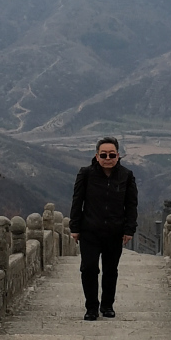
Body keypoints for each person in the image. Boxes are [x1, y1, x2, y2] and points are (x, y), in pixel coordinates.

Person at [69, 137, 138, 321]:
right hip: (90, 230)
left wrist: (129, 229)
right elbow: (77, 201)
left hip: (114, 231)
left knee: (110, 269)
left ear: (118, 156)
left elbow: (131, 205)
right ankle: (91, 307)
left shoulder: (126, 175)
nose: (108, 158)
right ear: (97, 156)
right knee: (89, 268)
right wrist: (75, 227)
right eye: (104, 155)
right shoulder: (86, 174)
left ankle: (107, 305)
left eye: (112, 155)